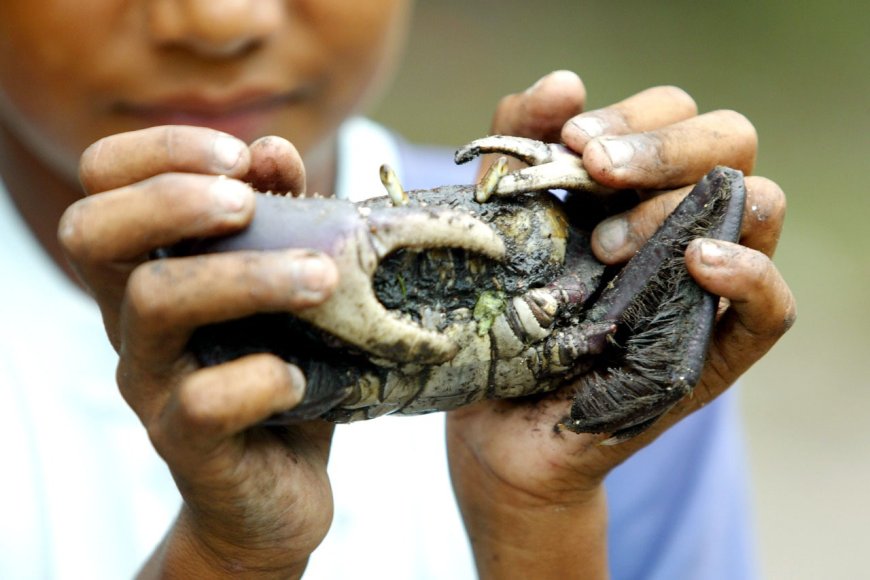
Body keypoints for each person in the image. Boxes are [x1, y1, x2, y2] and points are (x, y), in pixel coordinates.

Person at [0, 1, 795, 578]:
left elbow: (672, 285)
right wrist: (230, 554)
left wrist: (540, 516)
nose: (220, 19)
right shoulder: (252, 317)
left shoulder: (617, 307)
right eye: (392, 249)